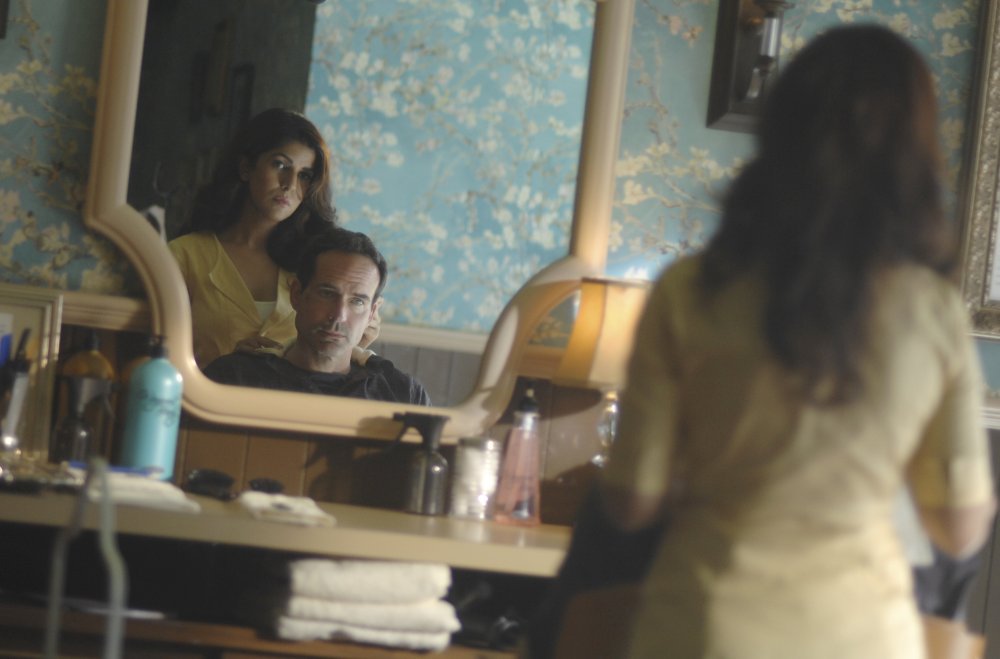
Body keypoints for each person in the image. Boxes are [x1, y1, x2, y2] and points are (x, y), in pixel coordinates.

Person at [592, 25, 997, 658]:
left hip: (702, 627)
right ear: (914, 152)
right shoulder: (932, 312)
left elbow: (632, 502)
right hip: (864, 637)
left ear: (779, 132)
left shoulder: (689, 290)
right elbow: (961, 527)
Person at [168, 108, 379, 368]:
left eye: (304, 175)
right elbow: (159, 356)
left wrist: (353, 342)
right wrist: (227, 363)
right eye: (280, 165)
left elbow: (330, 360)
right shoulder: (184, 255)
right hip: (203, 392)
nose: (290, 185)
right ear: (246, 167)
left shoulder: (317, 263)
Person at [204, 227, 430, 406]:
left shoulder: (402, 395)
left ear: (372, 313)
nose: (339, 315)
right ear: (296, 294)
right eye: (327, 294)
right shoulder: (235, 378)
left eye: (357, 301)